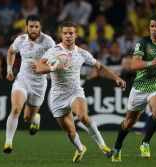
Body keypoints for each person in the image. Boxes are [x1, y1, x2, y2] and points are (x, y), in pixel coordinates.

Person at [36, 21, 126, 163]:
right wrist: (55, 68)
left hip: (75, 92)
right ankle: (80, 149)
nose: (68, 36)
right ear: (61, 35)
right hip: (57, 96)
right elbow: (39, 68)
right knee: (70, 132)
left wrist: (116, 78)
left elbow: (100, 67)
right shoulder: (53, 51)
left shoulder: (81, 53)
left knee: (83, 116)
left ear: (76, 34)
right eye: (65, 33)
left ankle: (103, 146)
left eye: (71, 33)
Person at [111, 14, 156, 162]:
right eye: (152, 26)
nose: (154, 29)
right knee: (129, 122)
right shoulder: (143, 42)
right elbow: (133, 65)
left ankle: (145, 143)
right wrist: (151, 63)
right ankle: (118, 146)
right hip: (140, 87)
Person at [3, 15, 55, 154]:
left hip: (39, 84)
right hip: (22, 81)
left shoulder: (48, 42)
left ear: (40, 28)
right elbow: (11, 51)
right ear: (26, 27)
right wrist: (9, 69)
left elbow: (57, 61)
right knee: (16, 108)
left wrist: (41, 64)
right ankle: (8, 143)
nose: (33, 29)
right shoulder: (20, 40)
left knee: (27, 118)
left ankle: (35, 119)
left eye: (36, 27)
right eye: (31, 26)